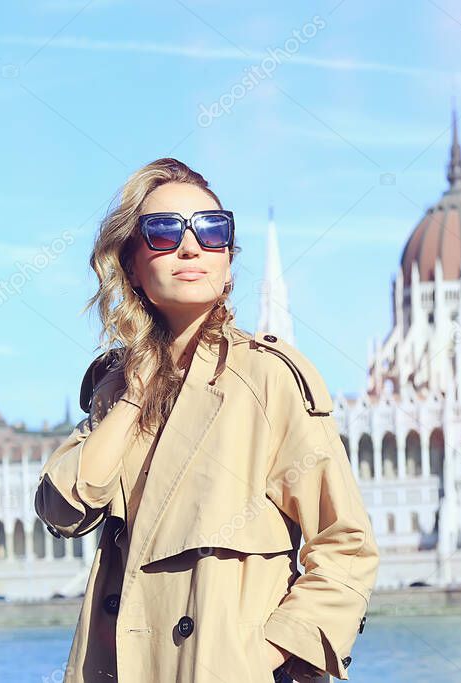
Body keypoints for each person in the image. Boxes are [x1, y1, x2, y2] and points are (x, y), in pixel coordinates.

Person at [34, 157, 379, 682]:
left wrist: (260, 658)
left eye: (212, 231)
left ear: (227, 259)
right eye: (164, 231)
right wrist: (133, 394)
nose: (190, 247)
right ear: (130, 262)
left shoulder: (267, 380)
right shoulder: (112, 386)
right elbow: (63, 509)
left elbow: (345, 544)